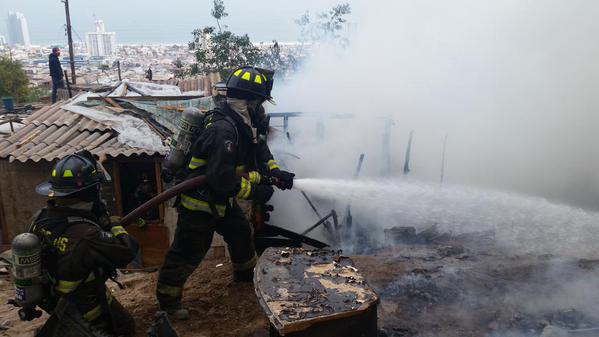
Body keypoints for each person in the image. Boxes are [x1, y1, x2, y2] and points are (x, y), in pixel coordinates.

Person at [156, 66, 295, 320]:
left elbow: (260, 151)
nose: (261, 107)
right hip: (199, 200)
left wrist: (277, 172)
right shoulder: (224, 130)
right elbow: (221, 178)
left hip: (220, 199)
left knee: (241, 235)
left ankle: (244, 281)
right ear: (248, 101)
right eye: (259, 101)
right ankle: (168, 303)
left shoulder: (244, 123)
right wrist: (255, 189)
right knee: (189, 251)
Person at [30, 151, 136, 336]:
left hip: (55, 298)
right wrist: (114, 225)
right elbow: (128, 251)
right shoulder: (87, 234)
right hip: (85, 305)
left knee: (125, 322)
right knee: (120, 329)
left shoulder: (39, 218)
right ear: (89, 192)